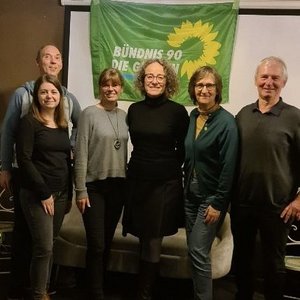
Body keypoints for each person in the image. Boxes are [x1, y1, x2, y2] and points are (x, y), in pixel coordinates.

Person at [0, 44, 81, 299]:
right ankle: (23, 289)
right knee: (27, 238)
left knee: (43, 242)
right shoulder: (22, 96)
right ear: (38, 62)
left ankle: (39, 286)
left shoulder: (67, 102)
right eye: (47, 57)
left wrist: (74, 148)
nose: (53, 61)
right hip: (28, 178)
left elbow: (78, 128)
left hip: (57, 185)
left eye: (57, 57)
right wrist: (4, 167)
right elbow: (8, 134)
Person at [231, 56, 300, 300]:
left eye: (274, 78)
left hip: (278, 207)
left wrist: (299, 201)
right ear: (256, 80)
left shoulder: (294, 117)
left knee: (273, 264)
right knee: (242, 260)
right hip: (242, 204)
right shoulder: (242, 115)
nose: (268, 82)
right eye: (264, 77)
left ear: (284, 82)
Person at [122, 58, 189, 299]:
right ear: (142, 80)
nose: (154, 80)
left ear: (168, 81)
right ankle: (146, 286)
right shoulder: (134, 109)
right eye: (149, 76)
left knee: (152, 239)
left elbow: (183, 150)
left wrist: (164, 168)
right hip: (137, 181)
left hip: (163, 185)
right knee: (142, 236)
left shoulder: (178, 111)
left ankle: (145, 293)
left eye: (160, 77)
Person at [183, 66, 239, 300]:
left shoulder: (227, 123)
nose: (204, 90)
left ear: (217, 90)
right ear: (193, 89)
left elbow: (229, 168)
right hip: (190, 196)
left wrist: (218, 203)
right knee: (196, 253)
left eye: (209, 85)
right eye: (199, 85)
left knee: (198, 250)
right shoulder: (194, 116)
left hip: (210, 198)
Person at [16, 74, 73, 300]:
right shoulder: (29, 122)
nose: (49, 96)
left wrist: (67, 194)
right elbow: (24, 159)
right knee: (44, 248)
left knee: (51, 245)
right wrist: (44, 193)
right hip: (37, 195)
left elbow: (65, 160)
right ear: (36, 96)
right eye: (44, 92)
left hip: (61, 194)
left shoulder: (62, 124)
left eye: (53, 92)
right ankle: (39, 294)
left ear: (60, 96)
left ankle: (43, 289)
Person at [74, 68, 128, 300]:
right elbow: (81, 152)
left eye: (115, 85)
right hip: (93, 187)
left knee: (106, 243)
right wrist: (80, 190)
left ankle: (100, 286)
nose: (110, 89)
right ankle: (95, 293)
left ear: (121, 89)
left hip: (118, 186)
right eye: (106, 84)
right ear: (100, 87)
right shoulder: (88, 114)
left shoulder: (125, 115)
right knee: (96, 244)